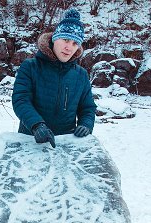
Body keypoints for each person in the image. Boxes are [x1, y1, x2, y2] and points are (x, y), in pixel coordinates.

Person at [12, 8, 97, 148]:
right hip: (31, 141)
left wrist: (86, 124)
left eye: (75, 43)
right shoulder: (30, 67)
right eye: (66, 40)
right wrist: (36, 125)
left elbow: (87, 107)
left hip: (66, 142)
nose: (69, 47)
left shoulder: (81, 75)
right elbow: (20, 100)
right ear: (55, 38)